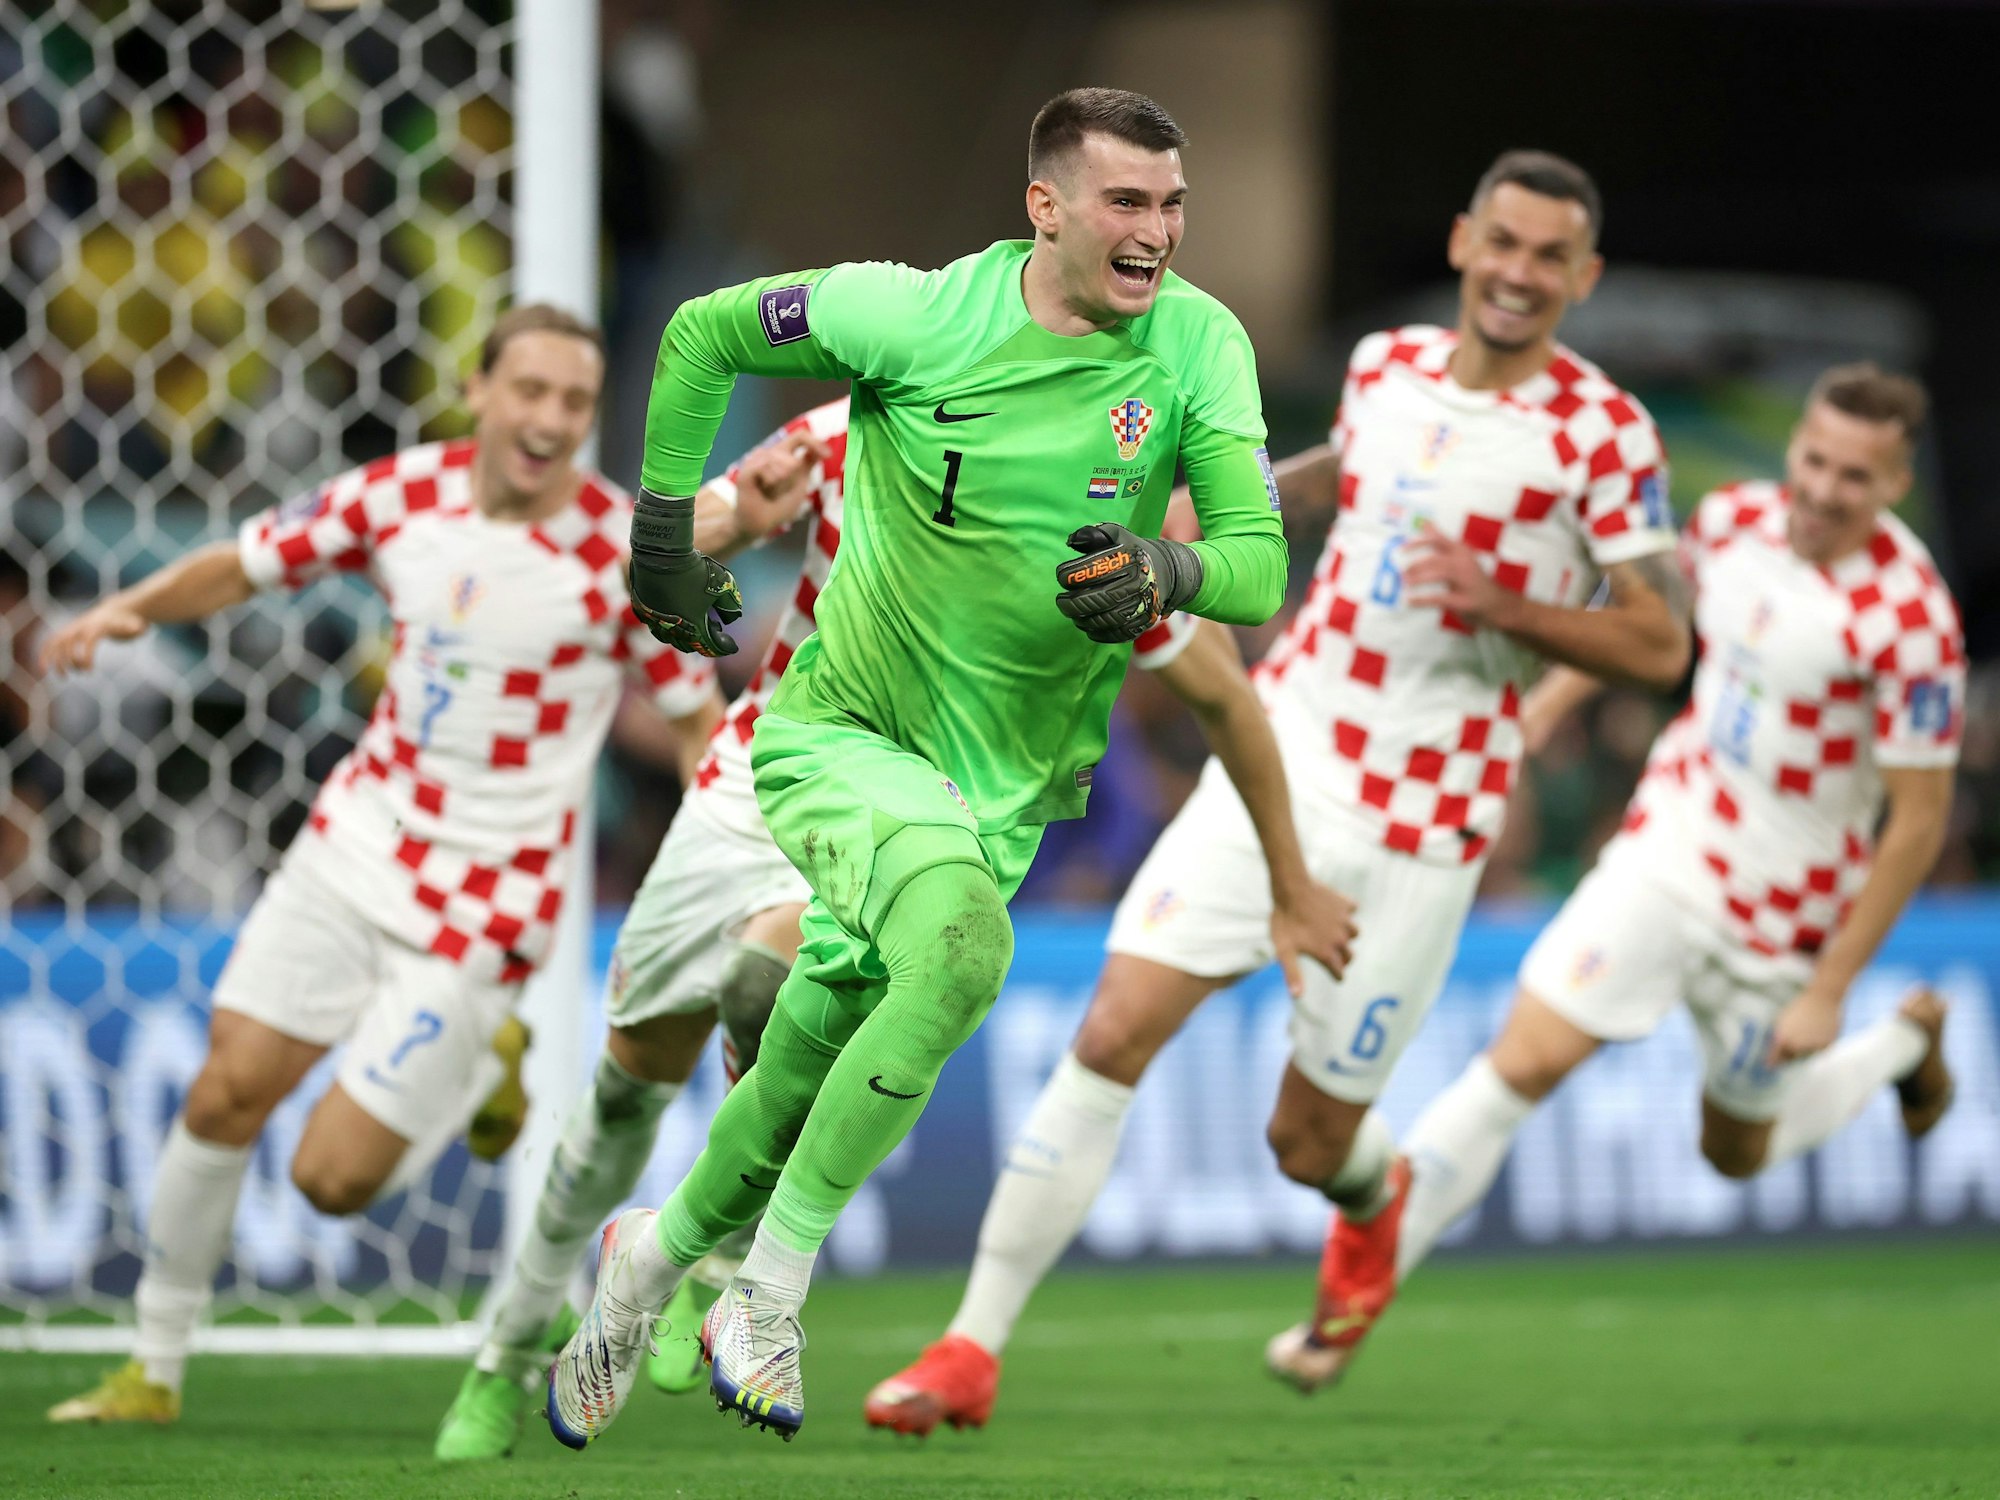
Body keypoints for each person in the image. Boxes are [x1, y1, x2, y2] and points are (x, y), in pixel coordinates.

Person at [863, 147, 1696, 1431]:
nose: (1520, 274)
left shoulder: (1601, 433)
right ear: (1465, 239)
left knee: (1306, 1144)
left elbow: (1659, 641)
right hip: (1292, 750)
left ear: (1579, 276)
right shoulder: (1388, 367)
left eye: (1550, 258)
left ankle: (1372, 1200)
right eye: (1504, 243)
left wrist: (1503, 603)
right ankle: (968, 1351)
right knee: (1108, 1035)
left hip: (1425, 822)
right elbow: (1326, 480)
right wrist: (1186, 543)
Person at [545, 86, 1291, 1447]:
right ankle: (769, 1292)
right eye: (1127, 203)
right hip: (843, 734)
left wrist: (1172, 567)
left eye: (1173, 205)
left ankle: (648, 1263)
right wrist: (664, 533)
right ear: (1045, 207)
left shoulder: (1200, 348)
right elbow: (710, 331)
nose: (1158, 233)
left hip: (1007, 784)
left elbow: (1256, 559)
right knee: (961, 951)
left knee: (800, 1069)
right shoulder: (913, 313)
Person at [439, 384, 1350, 1459]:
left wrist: (1291, 882)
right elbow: (709, 522)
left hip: (927, 830)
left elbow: (1229, 705)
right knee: (633, 1081)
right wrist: (731, 524)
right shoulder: (890, 406)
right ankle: (536, 1330)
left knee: (822, 988)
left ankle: (731, 1273)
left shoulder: (1107, 559)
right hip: (771, 770)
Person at [43, 305, 719, 1425]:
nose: (550, 418)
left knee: (331, 1182)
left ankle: (483, 1061)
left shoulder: (621, 552)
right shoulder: (401, 495)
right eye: (531, 391)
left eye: (574, 401)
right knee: (225, 1088)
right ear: (480, 390)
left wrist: (729, 856)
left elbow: (696, 722)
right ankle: (151, 1369)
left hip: (486, 901)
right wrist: (128, 608)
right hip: (356, 843)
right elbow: (243, 563)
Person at [1299, 364, 1961, 1391]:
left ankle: (1900, 1045)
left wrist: (1831, 988)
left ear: (1894, 480)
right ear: (1794, 449)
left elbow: (1916, 821)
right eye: (1814, 460)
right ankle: (1343, 1312)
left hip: (1784, 912)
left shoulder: (1909, 618)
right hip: (1670, 840)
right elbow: (1648, 626)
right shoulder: (1733, 519)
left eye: (1855, 476)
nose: (1824, 490)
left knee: (1734, 1153)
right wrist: (1549, 704)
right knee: (1522, 1060)